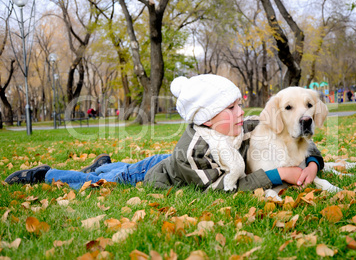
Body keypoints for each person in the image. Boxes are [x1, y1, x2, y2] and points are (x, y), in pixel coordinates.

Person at [5, 75, 323, 192]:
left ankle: (100, 165)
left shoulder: (245, 126)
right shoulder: (193, 154)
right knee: (115, 179)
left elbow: (295, 139)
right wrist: (281, 173)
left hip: (159, 160)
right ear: (208, 119)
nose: (242, 112)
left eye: (240, 104)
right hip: (163, 175)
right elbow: (229, 186)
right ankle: (45, 174)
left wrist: (310, 165)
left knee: (128, 166)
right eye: (232, 107)